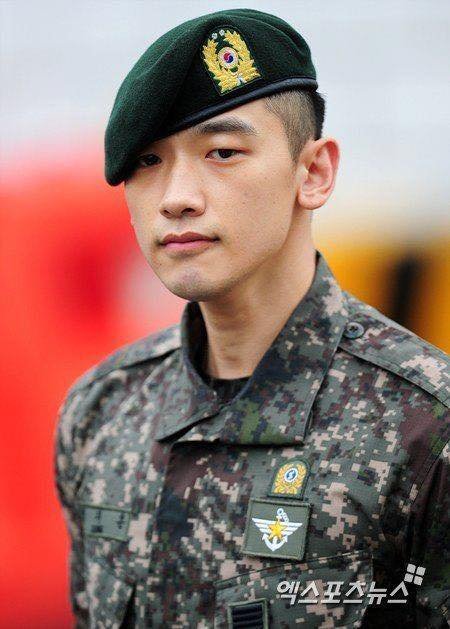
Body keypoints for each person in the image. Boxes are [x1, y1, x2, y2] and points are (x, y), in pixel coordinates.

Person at [54, 8, 449, 628]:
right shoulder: (103, 412)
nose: (177, 198)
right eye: (148, 162)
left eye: (222, 152)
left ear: (313, 173)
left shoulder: (425, 425)